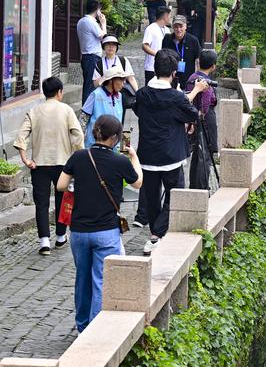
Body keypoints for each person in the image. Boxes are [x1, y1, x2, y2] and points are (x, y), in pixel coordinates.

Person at [57, 114, 142, 332]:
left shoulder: (79, 156)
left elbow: (61, 185)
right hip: (106, 231)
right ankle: (94, 331)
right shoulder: (120, 161)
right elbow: (138, 183)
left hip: (79, 231)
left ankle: (82, 326)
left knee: (82, 279)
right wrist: (133, 156)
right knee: (100, 280)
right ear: (115, 138)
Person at [134, 50, 208, 255]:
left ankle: (155, 234)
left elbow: (138, 111)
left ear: (155, 70)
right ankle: (157, 233)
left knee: (151, 196)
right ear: (174, 73)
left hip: (148, 155)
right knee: (175, 195)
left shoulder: (142, 94)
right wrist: (195, 92)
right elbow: (192, 114)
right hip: (171, 156)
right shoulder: (176, 97)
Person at [13, 77, 84, 255]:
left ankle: (44, 241)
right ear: (59, 92)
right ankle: (60, 236)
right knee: (63, 200)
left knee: (41, 203)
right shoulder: (67, 110)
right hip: (63, 164)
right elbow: (78, 135)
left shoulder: (34, 111)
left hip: (39, 164)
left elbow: (21, 136)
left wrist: (25, 159)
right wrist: (78, 157)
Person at [184, 50, 220, 190]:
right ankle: (201, 187)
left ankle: (194, 185)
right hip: (204, 120)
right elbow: (205, 106)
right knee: (204, 155)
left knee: (197, 154)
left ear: (199, 62)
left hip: (193, 119)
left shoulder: (192, 77)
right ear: (213, 66)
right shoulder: (206, 83)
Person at [81, 66, 127, 149]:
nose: (123, 85)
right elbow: (83, 119)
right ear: (111, 80)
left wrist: (124, 149)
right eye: (121, 80)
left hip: (113, 146)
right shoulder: (96, 94)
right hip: (95, 145)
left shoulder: (119, 96)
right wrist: (80, 142)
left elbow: (120, 122)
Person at [76, 0, 107, 103]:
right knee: (90, 86)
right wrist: (103, 23)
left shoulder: (81, 21)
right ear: (97, 10)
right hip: (92, 57)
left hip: (86, 56)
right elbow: (104, 37)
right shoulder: (91, 22)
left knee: (89, 84)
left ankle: (88, 109)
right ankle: (86, 111)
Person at [163, 15, 202, 89]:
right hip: (170, 81)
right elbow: (162, 58)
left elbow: (198, 60)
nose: (178, 29)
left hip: (188, 80)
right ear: (173, 27)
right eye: (176, 27)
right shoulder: (167, 39)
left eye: (181, 26)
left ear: (185, 26)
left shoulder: (193, 40)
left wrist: (198, 76)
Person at [141, 7, 171, 85]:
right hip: (152, 67)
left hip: (165, 66)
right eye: (169, 16)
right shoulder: (151, 28)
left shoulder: (167, 30)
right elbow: (145, 45)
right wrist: (158, 54)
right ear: (165, 16)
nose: (169, 18)